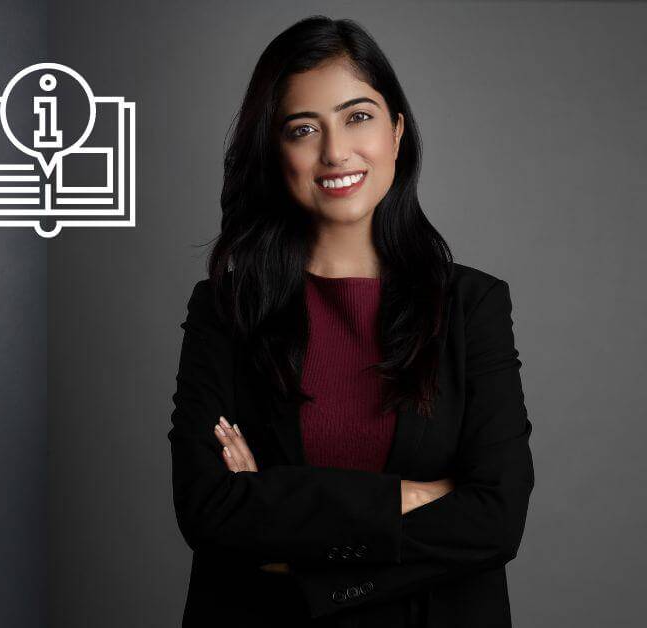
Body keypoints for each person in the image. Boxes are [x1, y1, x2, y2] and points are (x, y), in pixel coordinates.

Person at [167, 16, 533, 627]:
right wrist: (408, 498)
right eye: (303, 129)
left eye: (357, 117)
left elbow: (495, 521)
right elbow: (209, 509)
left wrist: (292, 532)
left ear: (397, 131)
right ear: (274, 151)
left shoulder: (474, 307)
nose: (335, 151)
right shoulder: (225, 310)